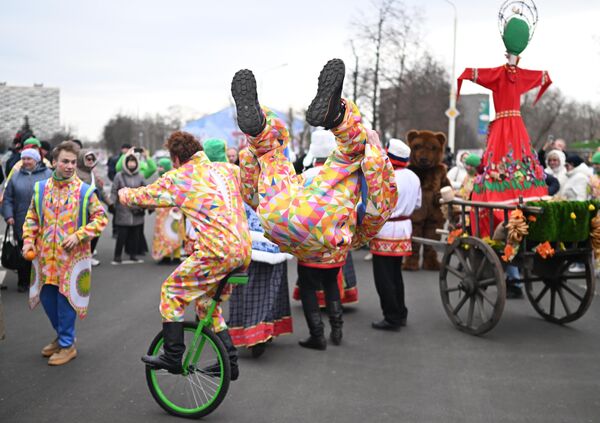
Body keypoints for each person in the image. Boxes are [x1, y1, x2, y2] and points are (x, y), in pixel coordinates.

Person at [233, 58, 397, 350]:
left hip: (279, 219)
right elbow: (379, 205)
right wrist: (374, 154)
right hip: (326, 229)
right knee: (351, 154)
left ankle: (259, 129)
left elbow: (249, 193)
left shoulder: (306, 174)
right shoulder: (337, 188)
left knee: (272, 157)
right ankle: (336, 116)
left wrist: (250, 155)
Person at [118, 131, 252, 378]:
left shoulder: (181, 177)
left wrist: (123, 194)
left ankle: (172, 355)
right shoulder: (226, 170)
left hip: (217, 252)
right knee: (205, 304)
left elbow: (145, 197)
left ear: (176, 158)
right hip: (242, 251)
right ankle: (230, 362)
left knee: (171, 292)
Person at [457, 17, 551, 236]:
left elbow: (470, 73)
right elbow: (544, 77)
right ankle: (522, 192)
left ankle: (504, 198)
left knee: (502, 160)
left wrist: (463, 80)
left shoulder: (500, 73)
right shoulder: (513, 74)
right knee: (516, 159)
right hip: (514, 124)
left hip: (504, 123)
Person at [204, 137, 293, 357]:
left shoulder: (227, 175)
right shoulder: (285, 174)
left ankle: (254, 335)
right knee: (270, 288)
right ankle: (264, 332)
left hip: (248, 241)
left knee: (248, 288)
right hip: (274, 239)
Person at [22, 141, 108, 366]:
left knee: (66, 302)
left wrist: (79, 235)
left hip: (71, 261)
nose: (69, 166)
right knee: (48, 300)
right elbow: (31, 218)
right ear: (54, 162)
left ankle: (68, 345)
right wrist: (28, 242)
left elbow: (101, 218)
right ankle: (62, 337)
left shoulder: (85, 191)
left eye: (72, 162)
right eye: (65, 161)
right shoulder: (40, 189)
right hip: (44, 260)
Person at [369, 138, 421, 330]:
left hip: (385, 229)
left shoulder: (386, 176)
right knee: (396, 274)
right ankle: (400, 312)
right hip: (404, 229)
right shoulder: (414, 177)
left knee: (383, 276)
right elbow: (417, 204)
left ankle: (391, 316)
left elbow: (374, 205)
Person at [2, 148, 52, 292]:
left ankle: (43, 282)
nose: (26, 161)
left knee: (44, 253)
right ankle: (23, 281)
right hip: (21, 222)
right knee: (25, 252)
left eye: (29, 158)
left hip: (45, 221)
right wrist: (9, 215)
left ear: (36, 160)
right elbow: (8, 199)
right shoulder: (15, 177)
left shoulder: (48, 174)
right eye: (23, 159)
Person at [76, 149, 114, 266]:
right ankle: (81, 258)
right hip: (80, 211)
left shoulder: (93, 174)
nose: (90, 161)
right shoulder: (75, 174)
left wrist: (110, 204)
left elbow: (101, 191)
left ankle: (90, 255)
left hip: (94, 210)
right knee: (82, 234)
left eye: (92, 159)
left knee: (95, 232)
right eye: (87, 158)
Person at [111, 151, 146, 264]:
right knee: (122, 235)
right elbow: (114, 190)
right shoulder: (119, 175)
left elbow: (145, 191)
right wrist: (112, 203)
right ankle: (117, 256)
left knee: (135, 235)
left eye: (133, 162)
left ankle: (133, 255)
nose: (131, 164)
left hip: (136, 210)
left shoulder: (140, 176)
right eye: (129, 162)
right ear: (125, 163)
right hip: (123, 209)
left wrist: (146, 205)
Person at [151, 157, 185, 264]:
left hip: (174, 211)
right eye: (158, 166)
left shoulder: (174, 178)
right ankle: (165, 255)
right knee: (163, 233)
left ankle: (176, 256)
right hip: (162, 212)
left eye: (161, 166)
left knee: (175, 232)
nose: (159, 169)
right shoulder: (158, 180)